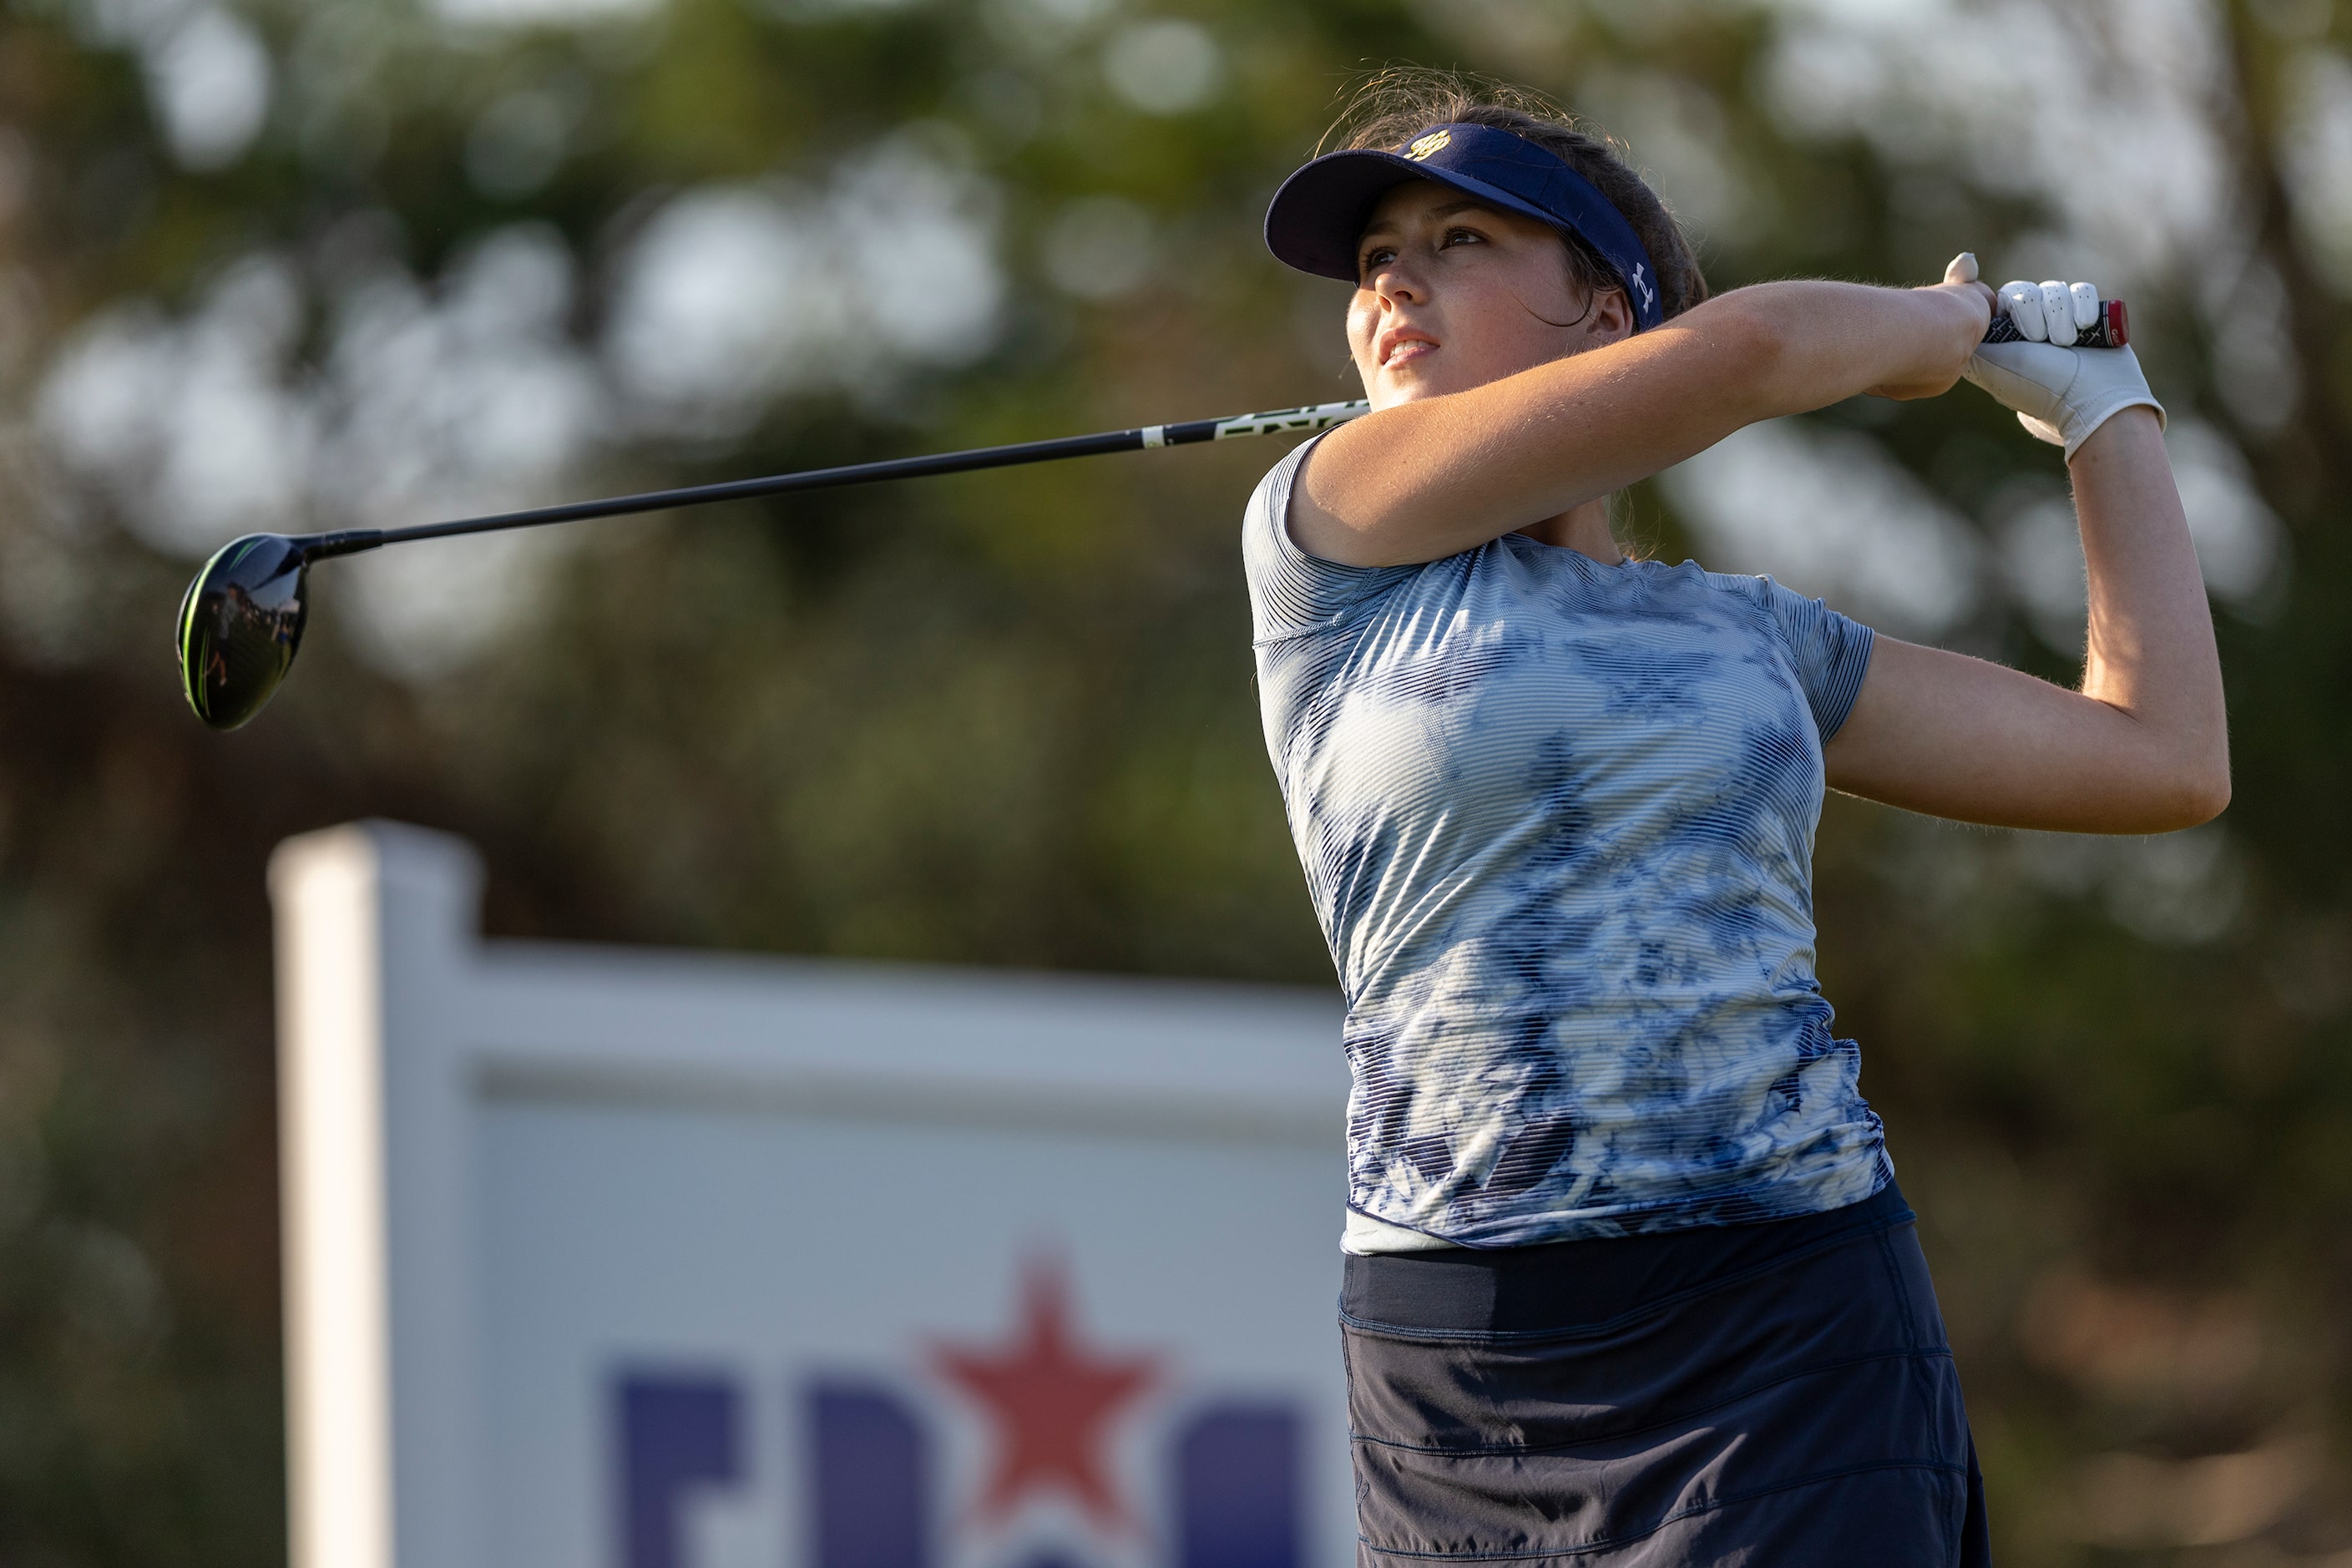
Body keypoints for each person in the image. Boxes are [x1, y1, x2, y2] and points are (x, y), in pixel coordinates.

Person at [1244, 72, 2227, 1566]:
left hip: (1785, 1319)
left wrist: (2101, 400)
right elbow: (1754, 349)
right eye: (1378, 259)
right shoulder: (1324, 534)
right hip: (1462, 1363)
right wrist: (1948, 328)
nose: (1393, 281)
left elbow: (2156, 756)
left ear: (1602, 308)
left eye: (1458, 241)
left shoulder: (1754, 637)